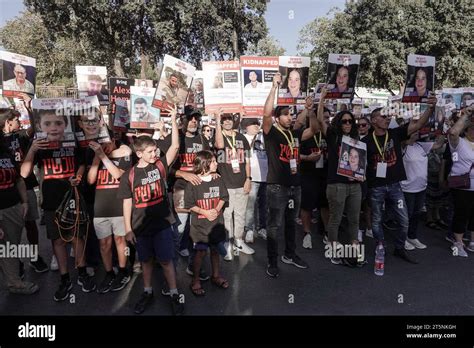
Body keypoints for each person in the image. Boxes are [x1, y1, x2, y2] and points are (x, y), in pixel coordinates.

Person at [118, 106, 184, 315]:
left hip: (163, 224)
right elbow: (127, 202)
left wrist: (173, 119)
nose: (155, 153)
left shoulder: (160, 166)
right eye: (150, 151)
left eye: (155, 150)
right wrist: (128, 229)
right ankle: (147, 291)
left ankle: (174, 294)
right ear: (139, 154)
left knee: (165, 261)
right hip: (140, 226)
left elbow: (174, 145)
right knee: (146, 261)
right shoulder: (128, 176)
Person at [362, 93, 437, 267]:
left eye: (388, 116)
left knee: (404, 220)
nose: (387, 118)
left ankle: (399, 247)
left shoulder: (395, 133)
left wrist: (431, 108)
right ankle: (380, 246)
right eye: (383, 116)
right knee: (376, 220)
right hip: (376, 187)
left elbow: (419, 124)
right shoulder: (365, 141)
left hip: (395, 185)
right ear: (373, 121)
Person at [21, 126, 92, 301]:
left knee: (77, 236)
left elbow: (82, 163)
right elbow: (24, 173)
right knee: (57, 240)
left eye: (58, 122)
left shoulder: (74, 138)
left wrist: (79, 176)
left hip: (72, 195)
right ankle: (65, 278)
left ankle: (82, 273)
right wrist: (32, 149)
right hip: (51, 199)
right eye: (49, 121)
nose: (54, 126)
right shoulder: (40, 142)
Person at [262, 72, 318, 278]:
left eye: (291, 114)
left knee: (290, 222)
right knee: (274, 225)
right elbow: (266, 115)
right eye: (286, 114)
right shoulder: (271, 132)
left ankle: (290, 254)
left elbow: (314, 129)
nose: (290, 116)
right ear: (278, 118)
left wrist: (310, 111)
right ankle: (272, 261)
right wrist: (274, 87)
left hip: (296, 186)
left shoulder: (294, 134)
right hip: (277, 187)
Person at [1, 107, 49, 273]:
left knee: (31, 224)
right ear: (7, 122)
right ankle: (16, 263)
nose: (20, 122)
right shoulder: (1, 140)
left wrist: (30, 108)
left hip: (25, 185)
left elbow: (35, 128)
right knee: (9, 232)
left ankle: (35, 257)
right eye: (16, 120)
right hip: (7, 190)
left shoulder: (20, 135)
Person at [318, 87, 363, 265]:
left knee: (354, 220)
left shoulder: (356, 140)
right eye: (344, 121)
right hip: (337, 184)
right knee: (335, 219)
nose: (347, 124)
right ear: (338, 122)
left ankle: (354, 252)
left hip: (355, 185)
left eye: (350, 121)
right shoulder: (332, 136)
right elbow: (320, 120)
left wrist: (360, 175)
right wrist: (322, 99)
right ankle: (333, 250)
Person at [87, 137, 133, 293]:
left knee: (120, 241)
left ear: (113, 140)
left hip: (119, 207)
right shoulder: (97, 156)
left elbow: (118, 175)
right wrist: (96, 157)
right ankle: (109, 273)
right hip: (100, 208)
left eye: (106, 142)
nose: (103, 146)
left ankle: (123, 270)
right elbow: (90, 180)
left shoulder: (124, 155)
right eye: (100, 144)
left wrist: (103, 156)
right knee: (104, 244)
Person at [184, 150, 229, 296]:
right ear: (205, 164)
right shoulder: (192, 183)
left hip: (216, 225)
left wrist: (216, 210)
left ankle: (215, 276)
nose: (217, 163)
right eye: (214, 161)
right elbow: (189, 204)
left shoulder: (218, 178)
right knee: (200, 253)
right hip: (200, 227)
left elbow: (223, 196)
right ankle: (195, 280)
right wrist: (205, 212)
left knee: (215, 251)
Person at [0, 131, 39, 295]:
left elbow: (18, 179)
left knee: (9, 247)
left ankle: (13, 281)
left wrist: (24, 202)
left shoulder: (5, 152)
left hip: (13, 207)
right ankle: (14, 282)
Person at [214, 112, 253, 258]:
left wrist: (248, 178)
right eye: (224, 119)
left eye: (229, 119)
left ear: (233, 121)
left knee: (240, 214)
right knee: (227, 214)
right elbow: (219, 145)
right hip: (226, 184)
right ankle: (227, 242)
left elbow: (248, 161)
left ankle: (238, 240)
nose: (227, 121)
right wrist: (217, 120)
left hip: (242, 182)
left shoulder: (242, 138)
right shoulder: (219, 135)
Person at [401, 128, 444, 251]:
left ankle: (412, 236)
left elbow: (439, 144)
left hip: (421, 187)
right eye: (414, 132)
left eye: (417, 132)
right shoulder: (403, 146)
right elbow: (405, 142)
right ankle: (403, 237)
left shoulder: (421, 146)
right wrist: (411, 136)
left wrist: (440, 130)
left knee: (416, 214)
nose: (416, 134)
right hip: (407, 188)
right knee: (406, 215)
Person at [295, 99, 329, 249]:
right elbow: (293, 155)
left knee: (325, 204)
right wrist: (307, 158)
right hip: (307, 173)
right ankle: (307, 233)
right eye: (323, 117)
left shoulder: (329, 133)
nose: (325, 120)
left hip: (326, 175)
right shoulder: (304, 134)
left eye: (328, 117)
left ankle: (328, 232)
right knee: (307, 205)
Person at [446, 105, 474, 257]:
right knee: (461, 214)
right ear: (468, 128)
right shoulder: (459, 143)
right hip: (462, 185)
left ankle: (472, 242)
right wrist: (465, 114)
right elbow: (453, 132)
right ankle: (458, 243)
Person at [242, 118, 268, 243]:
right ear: (246, 126)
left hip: (266, 176)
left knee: (264, 205)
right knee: (250, 205)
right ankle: (249, 229)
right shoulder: (243, 137)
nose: (256, 126)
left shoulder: (265, 136)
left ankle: (262, 227)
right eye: (253, 124)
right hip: (252, 177)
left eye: (258, 123)